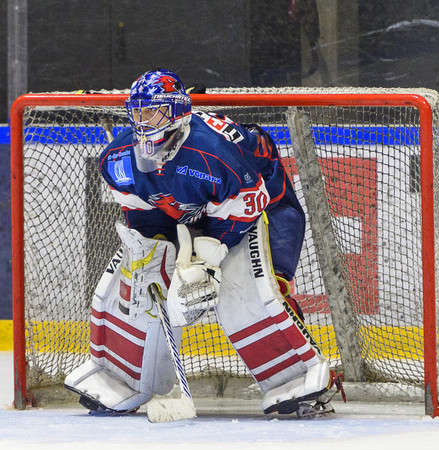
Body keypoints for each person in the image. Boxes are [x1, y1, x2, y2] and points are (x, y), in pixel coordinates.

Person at [64, 68, 341, 418]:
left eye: (154, 111)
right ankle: (125, 378)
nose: (144, 121)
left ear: (178, 111)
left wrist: (209, 256)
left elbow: (245, 206)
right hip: (190, 205)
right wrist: (155, 250)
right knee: (140, 281)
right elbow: (145, 215)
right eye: (139, 112)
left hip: (257, 195)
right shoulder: (117, 159)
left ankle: (302, 379)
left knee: (250, 291)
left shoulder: (213, 153)